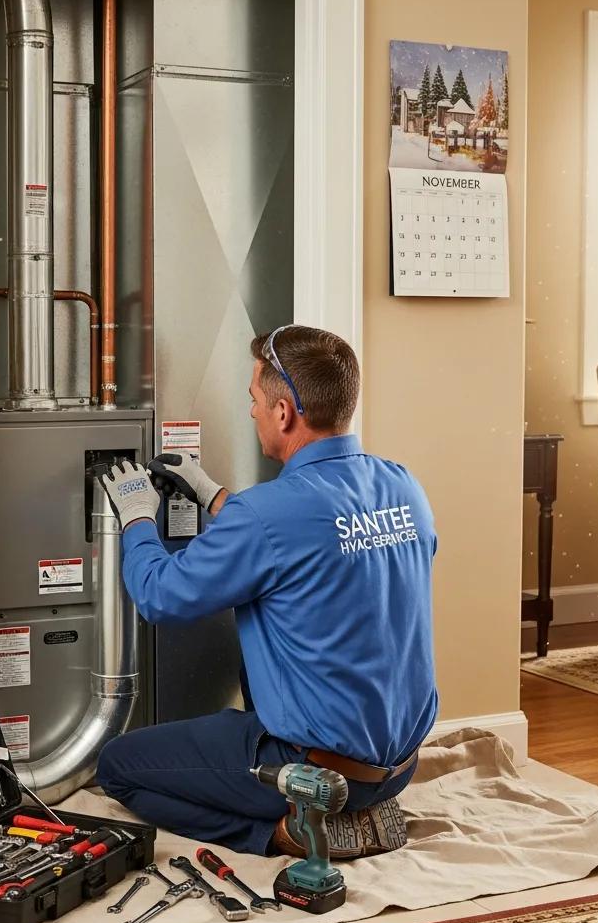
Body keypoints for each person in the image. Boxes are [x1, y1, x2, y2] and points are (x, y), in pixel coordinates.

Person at [95, 325, 438, 859]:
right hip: (398, 767)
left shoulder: (266, 514)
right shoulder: (403, 485)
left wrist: (137, 518)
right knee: (267, 650)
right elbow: (313, 540)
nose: (251, 411)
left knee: (118, 767)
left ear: (284, 413)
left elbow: (159, 596)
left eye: (255, 400)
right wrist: (212, 495)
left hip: (319, 773)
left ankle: (287, 831)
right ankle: (362, 804)